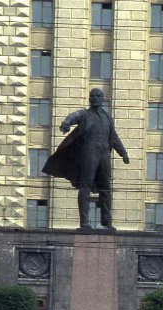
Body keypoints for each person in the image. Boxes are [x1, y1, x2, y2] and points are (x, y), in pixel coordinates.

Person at [42, 87, 130, 229]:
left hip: (104, 154)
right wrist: (66, 123)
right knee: (85, 186)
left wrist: (123, 153)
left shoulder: (107, 117)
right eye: (92, 96)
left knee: (106, 188)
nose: (95, 98)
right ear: (89, 99)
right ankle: (84, 222)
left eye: (98, 96)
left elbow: (113, 137)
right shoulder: (85, 114)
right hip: (89, 151)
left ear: (102, 99)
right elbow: (73, 116)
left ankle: (107, 222)